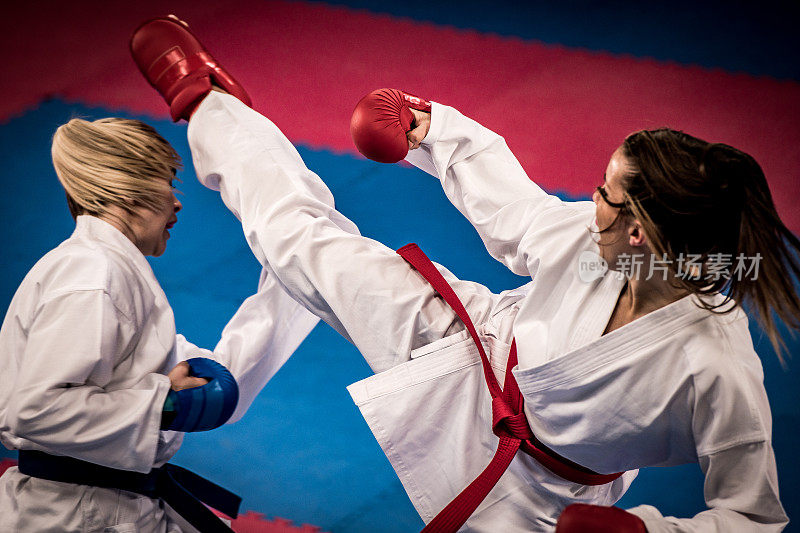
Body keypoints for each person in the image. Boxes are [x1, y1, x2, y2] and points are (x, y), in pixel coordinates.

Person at [130, 16, 794, 532]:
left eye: (605, 192)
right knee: (296, 240)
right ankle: (210, 102)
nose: (590, 199)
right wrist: (433, 130)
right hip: (466, 341)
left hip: (540, 502)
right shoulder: (597, 241)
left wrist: (645, 529)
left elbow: (753, 516)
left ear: (641, 230)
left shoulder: (715, 365)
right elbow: (517, 209)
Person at [0, 116, 318, 532]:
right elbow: (35, 410)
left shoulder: (107, 269)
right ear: (128, 189)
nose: (178, 202)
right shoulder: (92, 277)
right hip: (76, 516)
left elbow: (217, 382)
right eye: (168, 183)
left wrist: (298, 274)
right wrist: (163, 405)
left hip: (110, 504)